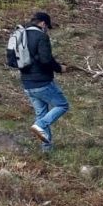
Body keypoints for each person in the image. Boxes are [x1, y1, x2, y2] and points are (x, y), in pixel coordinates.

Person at [16, 11, 69, 149]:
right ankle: (40, 125)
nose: (47, 30)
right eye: (47, 27)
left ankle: (46, 150)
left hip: (27, 83)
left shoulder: (20, 35)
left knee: (41, 113)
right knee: (62, 105)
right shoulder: (41, 36)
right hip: (42, 82)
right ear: (43, 24)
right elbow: (46, 60)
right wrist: (59, 68)